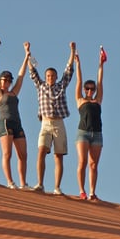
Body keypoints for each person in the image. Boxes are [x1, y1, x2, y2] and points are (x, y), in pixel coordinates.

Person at [27, 41, 76, 195]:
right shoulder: (40, 86)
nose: (50, 77)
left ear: (55, 77)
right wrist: (27, 52)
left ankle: (57, 187)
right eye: (48, 75)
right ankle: (40, 184)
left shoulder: (61, 85)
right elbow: (32, 72)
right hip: (45, 123)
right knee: (41, 151)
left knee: (58, 156)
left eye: (52, 75)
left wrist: (72, 51)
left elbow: (69, 71)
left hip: (59, 123)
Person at [0, 40, 31, 190]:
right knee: (7, 154)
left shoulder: (14, 92)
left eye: (9, 80)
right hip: (5, 123)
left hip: (17, 123)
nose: (7, 82)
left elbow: (21, 76)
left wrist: (26, 55)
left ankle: (23, 183)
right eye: (4, 79)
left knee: (23, 155)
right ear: (1, 81)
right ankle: (10, 181)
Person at [74, 49, 105, 201]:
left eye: (92, 89)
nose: (90, 91)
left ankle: (92, 192)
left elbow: (100, 81)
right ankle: (82, 190)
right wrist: (77, 63)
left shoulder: (97, 100)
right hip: (83, 133)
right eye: (88, 88)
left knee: (93, 165)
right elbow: (78, 81)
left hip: (97, 133)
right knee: (83, 162)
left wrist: (101, 64)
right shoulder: (80, 100)